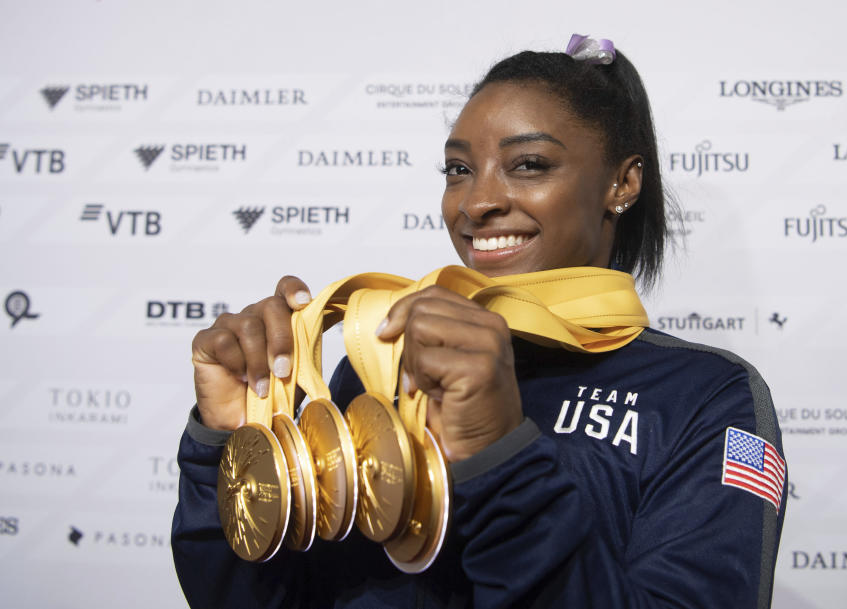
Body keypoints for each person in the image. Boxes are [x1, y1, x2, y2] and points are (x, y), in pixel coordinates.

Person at [172, 35, 786, 608]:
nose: (475, 203)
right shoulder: (377, 365)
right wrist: (229, 448)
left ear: (621, 184)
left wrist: (499, 452)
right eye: (459, 170)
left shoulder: (705, 396)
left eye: (528, 165)